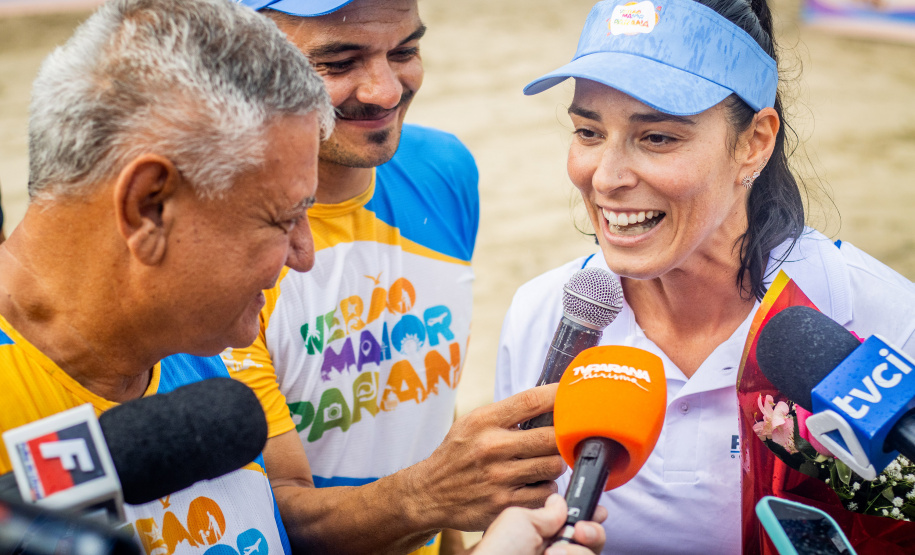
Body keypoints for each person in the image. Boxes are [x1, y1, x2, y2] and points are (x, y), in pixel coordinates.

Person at [0, 1, 602, 554]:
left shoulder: (192, 347)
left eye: (403, 50)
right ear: (150, 206)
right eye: (283, 219)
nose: (305, 255)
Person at [494, 0, 915, 553]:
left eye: (658, 137)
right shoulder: (546, 316)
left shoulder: (882, 320)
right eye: (588, 131)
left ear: (754, 143)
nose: (606, 177)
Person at [224, 1, 568, 553]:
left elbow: (428, 420)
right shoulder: (217, 240)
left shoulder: (442, 169)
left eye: (405, 51)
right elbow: (269, 518)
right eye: (338, 63)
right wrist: (427, 495)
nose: (385, 91)